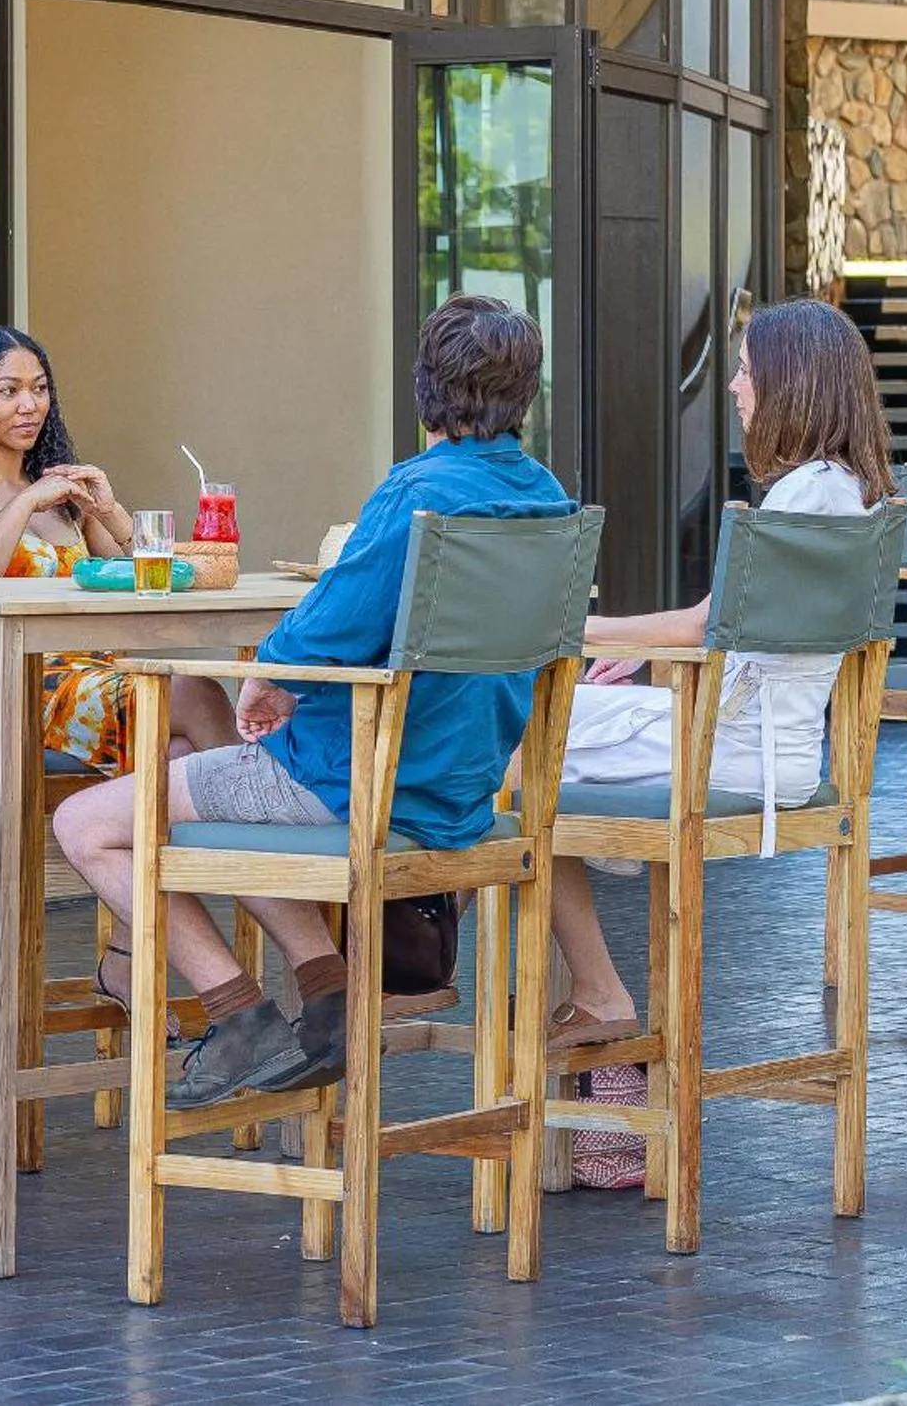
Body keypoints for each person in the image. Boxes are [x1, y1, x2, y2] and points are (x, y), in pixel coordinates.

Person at [50, 296, 573, 1107]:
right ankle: (327, 992)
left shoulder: (417, 492)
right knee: (196, 774)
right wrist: (279, 681)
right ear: (526, 393)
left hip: (354, 782)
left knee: (83, 825)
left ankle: (237, 1016)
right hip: (461, 788)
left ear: (425, 389)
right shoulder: (548, 500)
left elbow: (326, 626)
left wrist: (266, 677)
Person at [546, 298, 896, 1050]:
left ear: (790, 386)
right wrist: (638, 648)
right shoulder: (845, 494)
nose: (736, 388)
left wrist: (562, 627)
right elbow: (726, 620)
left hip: (730, 757)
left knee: (515, 740)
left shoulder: (803, 497)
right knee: (536, 736)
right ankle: (590, 990)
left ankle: (441, 969)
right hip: (782, 755)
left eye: (745, 373)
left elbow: (708, 624)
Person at [0, 327, 239, 1024]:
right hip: (16, 684)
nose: (28, 405)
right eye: (7, 390)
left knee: (177, 756)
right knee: (193, 693)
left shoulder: (59, 487)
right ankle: (250, 840)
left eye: (39, 388)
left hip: (101, 675)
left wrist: (106, 506)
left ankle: (132, 955)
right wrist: (22, 507)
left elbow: (139, 574)